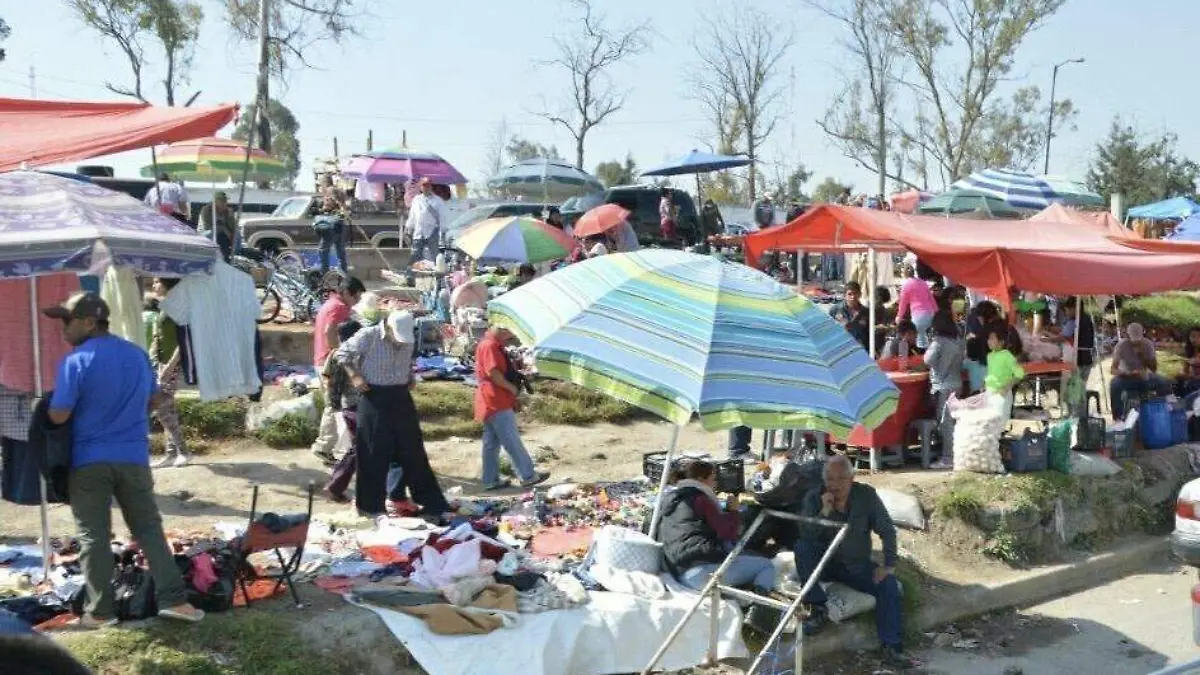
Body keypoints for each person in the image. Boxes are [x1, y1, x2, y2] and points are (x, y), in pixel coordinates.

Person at [43, 292, 204, 627]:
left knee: (94, 536)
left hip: (89, 461)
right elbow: (154, 400)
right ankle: (175, 601)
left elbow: (59, 416)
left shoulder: (75, 361)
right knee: (148, 529)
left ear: (89, 322)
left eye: (66, 321)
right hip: (133, 457)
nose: (62, 329)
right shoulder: (136, 355)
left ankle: (100, 613)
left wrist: (42, 409)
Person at [335, 310, 451, 518]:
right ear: (387, 327)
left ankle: (429, 500)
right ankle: (370, 506)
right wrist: (355, 375)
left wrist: (409, 375)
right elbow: (342, 354)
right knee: (372, 452)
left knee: (412, 450)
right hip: (373, 395)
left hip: (400, 395)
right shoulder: (368, 336)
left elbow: (407, 360)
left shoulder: (408, 337)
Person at [794, 456, 907, 667]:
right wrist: (825, 511)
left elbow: (887, 530)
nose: (834, 485)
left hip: (855, 565)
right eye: (829, 479)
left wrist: (889, 565)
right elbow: (806, 535)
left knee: (889, 585)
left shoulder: (865, 495)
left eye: (840, 479)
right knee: (803, 547)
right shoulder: (814, 497)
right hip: (824, 564)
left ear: (852, 478)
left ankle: (892, 646)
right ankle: (817, 608)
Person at [659, 461, 775, 597]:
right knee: (765, 565)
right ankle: (758, 610)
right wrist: (733, 511)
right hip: (699, 572)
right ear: (701, 479)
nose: (715, 484)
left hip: (675, 570)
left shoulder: (671, 499)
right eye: (713, 479)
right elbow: (728, 533)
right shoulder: (701, 499)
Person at [473, 324, 551, 490]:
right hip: (495, 397)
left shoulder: (493, 345)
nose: (510, 335)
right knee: (510, 438)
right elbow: (493, 373)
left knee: (491, 442)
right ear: (502, 329)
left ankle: (490, 479)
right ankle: (527, 475)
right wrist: (511, 388)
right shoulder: (489, 346)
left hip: (491, 398)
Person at [311, 277, 366, 465]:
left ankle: (331, 446)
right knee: (334, 404)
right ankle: (324, 446)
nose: (357, 301)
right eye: (357, 297)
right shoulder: (339, 307)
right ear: (348, 293)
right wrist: (341, 356)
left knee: (335, 404)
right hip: (331, 361)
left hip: (323, 359)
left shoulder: (331, 303)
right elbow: (329, 331)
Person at [148, 278, 189, 469]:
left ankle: (183, 451)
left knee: (162, 408)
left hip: (172, 365)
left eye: (157, 282)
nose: (154, 286)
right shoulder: (165, 307)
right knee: (168, 409)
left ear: (167, 284)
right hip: (162, 363)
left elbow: (183, 342)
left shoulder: (178, 307)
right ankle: (171, 454)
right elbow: (160, 335)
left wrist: (171, 366)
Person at [925, 311, 964, 469]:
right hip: (956, 384)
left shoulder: (938, 342)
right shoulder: (957, 341)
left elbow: (927, 359)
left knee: (945, 424)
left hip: (943, 385)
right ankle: (954, 454)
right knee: (952, 422)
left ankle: (948, 457)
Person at [1110, 322, 1171, 419]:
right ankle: (1118, 417)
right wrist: (1123, 373)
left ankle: (1165, 410)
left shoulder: (1148, 344)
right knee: (1114, 384)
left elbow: (1154, 369)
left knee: (1163, 382)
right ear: (1127, 336)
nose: (1136, 344)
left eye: (1138, 341)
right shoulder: (1121, 345)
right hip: (1126, 377)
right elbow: (1113, 369)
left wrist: (1143, 357)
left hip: (1144, 375)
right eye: (1133, 342)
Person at [406, 177, 450, 264]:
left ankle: (438, 275)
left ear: (431, 187)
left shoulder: (438, 201)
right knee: (415, 254)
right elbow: (413, 215)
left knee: (435, 256)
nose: (426, 188)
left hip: (432, 231)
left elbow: (443, 216)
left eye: (428, 186)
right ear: (421, 187)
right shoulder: (416, 199)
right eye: (424, 186)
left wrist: (443, 229)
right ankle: (411, 274)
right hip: (419, 231)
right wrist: (409, 227)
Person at [985, 324, 1025, 417]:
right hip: (990, 393)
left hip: (1002, 395)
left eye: (992, 339)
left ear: (1001, 342)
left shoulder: (1007, 356)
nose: (989, 341)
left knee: (1000, 425)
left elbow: (1020, 374)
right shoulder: (989, 356)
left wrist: (1007, 387)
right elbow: (992, 374)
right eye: (988, 338)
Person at [895, 264, 937, 348]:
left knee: (919, 340)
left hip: (919, 315)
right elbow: (931, 298)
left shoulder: (906, 285)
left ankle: (922, 358)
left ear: (904, 274)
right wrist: (937, 311)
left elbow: (903, 303)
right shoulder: (922, 282)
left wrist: (898, 317)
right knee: (923, 336)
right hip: (930, 313)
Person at [315, 175, 350, 274]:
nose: (320, 185)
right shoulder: (339, 191)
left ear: (325, 182)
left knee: (323, 250)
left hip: (331, 224)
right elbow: (343, 205)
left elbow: (329, 205)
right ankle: (344, 274)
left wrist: (321, 210)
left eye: (321, 183)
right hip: (340, 223)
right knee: (340, 251)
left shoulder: (329, 191)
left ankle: (324, 274)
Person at [831, 281, 871, 351]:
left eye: (855, 293)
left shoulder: (866, 312)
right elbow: (829, 330)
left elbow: (869, 333)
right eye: (850, 294)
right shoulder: (835, 310)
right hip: (841, 348)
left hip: (860, 349)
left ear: (860, 294)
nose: (853, 296)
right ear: (844, 295)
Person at [198, 191, 237, 262]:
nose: (225, 202)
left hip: (223, 234)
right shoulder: (207, 209)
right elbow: (208, 226)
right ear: (215, 201)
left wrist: (231, 217)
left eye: (225, 201)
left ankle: (235, 254)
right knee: (221, 238)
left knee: (236, 235)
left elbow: (233, 228)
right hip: (207, 234)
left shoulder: (227, 211)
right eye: (222, 201)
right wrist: (224, 229)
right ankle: (224, 259)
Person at [1177, 327, 1200, 397]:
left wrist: (1193, 377)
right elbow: (1185, 370)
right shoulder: (1189, 352)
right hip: (1193, 383)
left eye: (1199, 336)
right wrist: (1182, 374)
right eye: (1193, 336)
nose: (1195, 339)